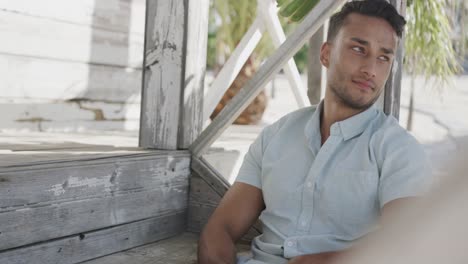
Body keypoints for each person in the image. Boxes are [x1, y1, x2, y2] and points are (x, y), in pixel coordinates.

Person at [198, 1, 432, 263]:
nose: (371, 69)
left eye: (383, 57)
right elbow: (220, 230)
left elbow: (406, 245)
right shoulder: (274, 137)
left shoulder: (399, 151)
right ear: (325, 54)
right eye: (358, 49)